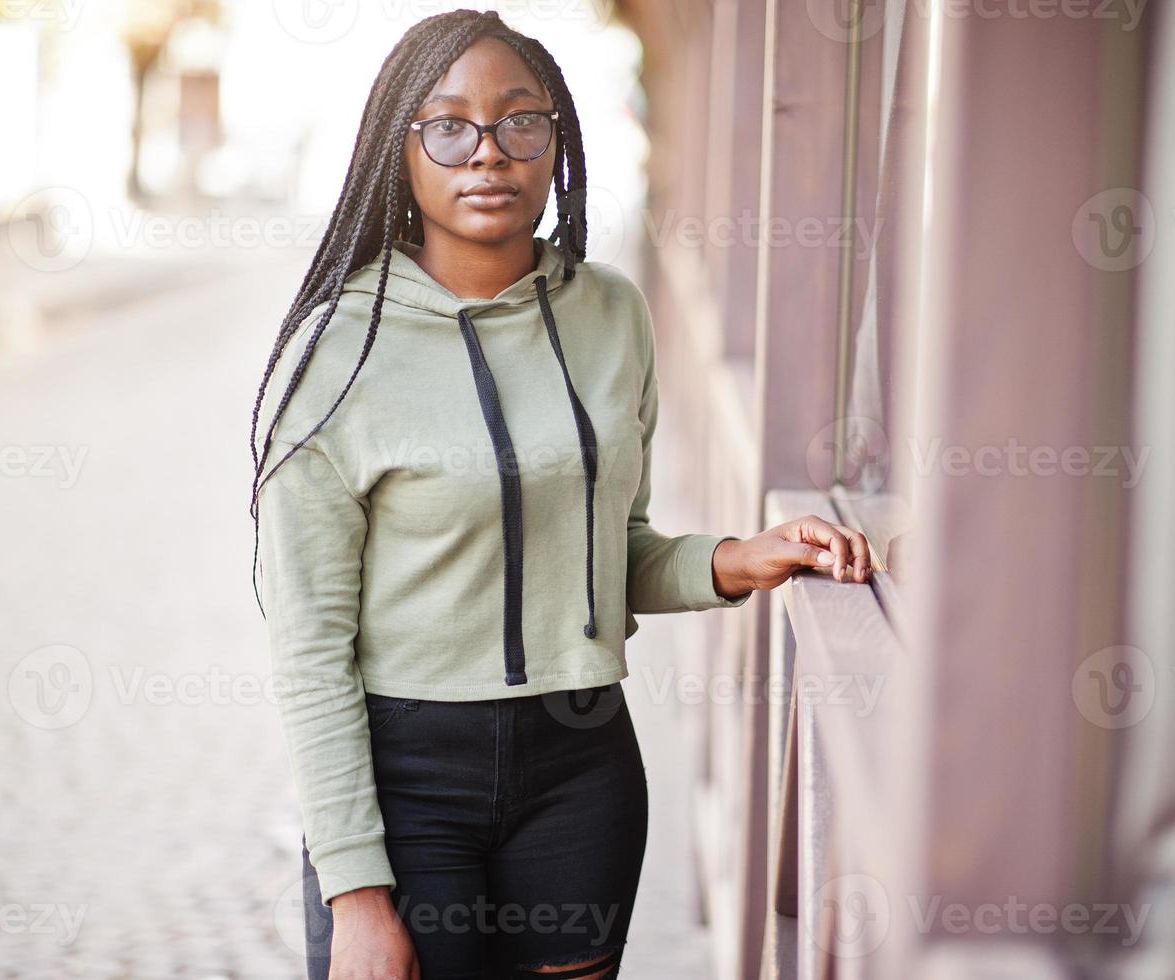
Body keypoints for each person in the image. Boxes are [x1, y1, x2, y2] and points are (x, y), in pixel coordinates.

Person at [246, 10, 874, 978]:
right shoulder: (337, 352)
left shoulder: (611, 312)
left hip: (580, 769)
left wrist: (740, 557)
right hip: (406, 778)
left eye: (520, 122)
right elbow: (308, 648)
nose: (488, 154)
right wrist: (355, 889)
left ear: (558, 139)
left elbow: (607, 551)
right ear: (395, 148)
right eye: (448, 127)